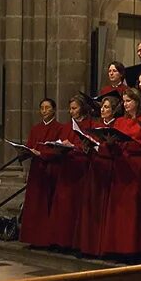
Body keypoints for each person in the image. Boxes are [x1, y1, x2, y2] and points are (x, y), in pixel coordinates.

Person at [99, 88, 141, 259]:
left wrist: (133, 144)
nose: (125, 104)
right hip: (121, 167)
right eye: (124, 101)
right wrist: (110, 143)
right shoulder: (119, 122)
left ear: (137, 102)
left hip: (138, 168)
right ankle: (117, 248)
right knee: (120, 210)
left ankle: (135, 250)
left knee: (135, 210)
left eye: (129, 101)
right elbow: (113, 145)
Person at [49, 94, 95, 250]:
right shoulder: (66, 126)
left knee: (78, 207)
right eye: (70, 108)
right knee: (64, 207)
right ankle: (62, 241)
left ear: (82, 108)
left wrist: (76, 147)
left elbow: (91, 146)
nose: (71, 111)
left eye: (74, 108)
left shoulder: (90, 124)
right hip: (67, 168)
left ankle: (77, 243)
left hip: (82, 170)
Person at [77, 95, 121, 256]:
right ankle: (89, 247)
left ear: (114, 110)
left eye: (107, 107)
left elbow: (118, 151)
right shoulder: (95, 126)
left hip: (109, 169)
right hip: (95, 167)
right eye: (102, 107)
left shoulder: (117, 126)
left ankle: (102, 248)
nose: (103, 110)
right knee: (91, 208)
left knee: (104, 210)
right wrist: (87, 147)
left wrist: (104, 147)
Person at [19, 98, 65, 247]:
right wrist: (24, 151)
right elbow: (30, 146)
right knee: (34, 205)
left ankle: (47, 239)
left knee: (47, 204)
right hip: (36, 169)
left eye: (47, 108)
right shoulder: (35, 128)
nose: (44, 111)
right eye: (42, 108)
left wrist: (42, 153)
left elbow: (58, 150)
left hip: (50, 169)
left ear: (54, 110)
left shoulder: (59, 128)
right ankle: (34, 238)